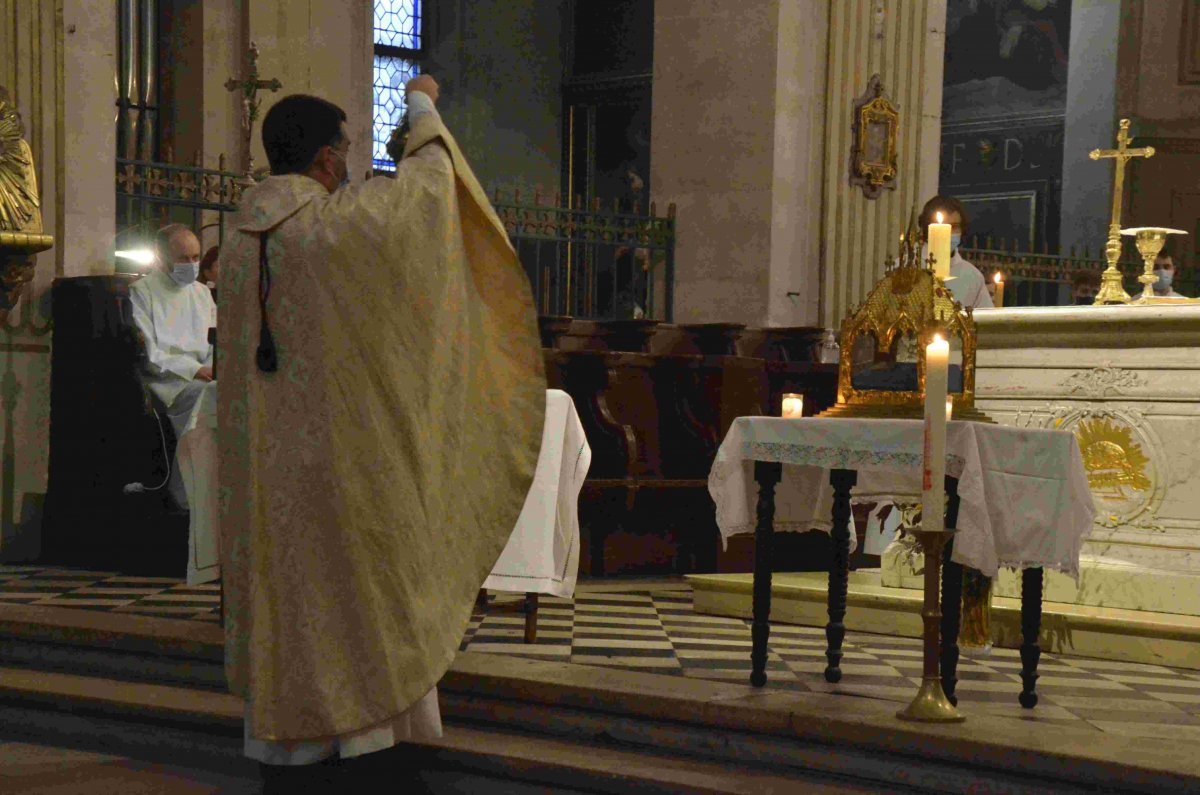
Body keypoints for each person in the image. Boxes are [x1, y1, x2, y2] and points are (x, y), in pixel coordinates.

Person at [217, 76, 545, 792]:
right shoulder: (336, 228)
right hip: (346, 466)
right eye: (345, 151)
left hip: (269, 476)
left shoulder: (238, 242)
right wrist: (422, 104)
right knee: (359, 596)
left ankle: (286, 751)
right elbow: (429, 196)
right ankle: (366, 741)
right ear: (329, 160)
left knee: (290, 596)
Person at [129, 223, 219, 585]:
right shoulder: (143, 291)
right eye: (184, 257)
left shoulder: (201, 293)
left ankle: (213, 498)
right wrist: (195, 369)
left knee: (223, 397)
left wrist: (215, 366)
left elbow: (215, 341)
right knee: (207, 397)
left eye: (197, 257)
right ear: (163, 256)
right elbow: (150, 353)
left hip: (205, 378)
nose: (192, 264)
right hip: (168, 382)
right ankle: (185, 497)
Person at [917, 195, 994, 310]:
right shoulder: (903, 268)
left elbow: (985, 320)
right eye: (940, 226)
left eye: (954, 227)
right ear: (926, 229)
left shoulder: (972, 276)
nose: (947, 233)